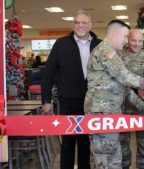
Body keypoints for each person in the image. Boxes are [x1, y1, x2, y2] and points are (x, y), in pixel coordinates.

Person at [84, 20, 144, 169]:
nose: (128, 41)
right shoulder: (106, 51)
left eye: (138, 40)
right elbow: (124, 76)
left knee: (114, 158)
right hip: (103, 114)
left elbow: (123, 88)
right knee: (108, 160)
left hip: (114, 113)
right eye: (126, 37)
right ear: (114, 34)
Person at [41, 10, 101, 169]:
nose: (80, 26)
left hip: (92, 102)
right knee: (67, 144)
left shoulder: (100, 45)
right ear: (73, 25)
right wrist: (46, 101)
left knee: (86, 145)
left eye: (84, 22)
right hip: (68, 101)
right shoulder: (61, 44)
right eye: (77, 22)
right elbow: (48, 73)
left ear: (90, 25)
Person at [120, 29, 144, 169]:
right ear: (127, 40)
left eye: (140, 41)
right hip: (123, 110)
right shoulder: (119, 58)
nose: (136, 44)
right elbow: (116, 82)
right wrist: (137, 88)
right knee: (123, 149)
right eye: (133, 40)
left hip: (143, 111)